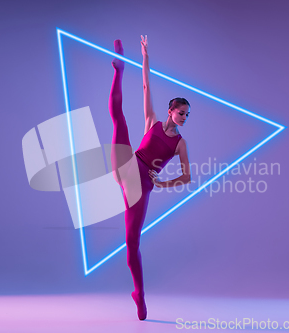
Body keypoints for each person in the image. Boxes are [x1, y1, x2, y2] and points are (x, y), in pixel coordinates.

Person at [108, 35, 191, 320]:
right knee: (119, 119)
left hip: (143, 184)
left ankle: (139, 294)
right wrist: (144, 56)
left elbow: (187, 177)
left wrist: (163, 183)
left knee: (132, 241)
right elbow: (146, 85)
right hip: (129, 165)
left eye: (187, 115)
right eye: (181, 113)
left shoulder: (180, 143)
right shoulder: (152, 121)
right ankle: (118, 71)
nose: (184, 118)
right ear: (171, 111)